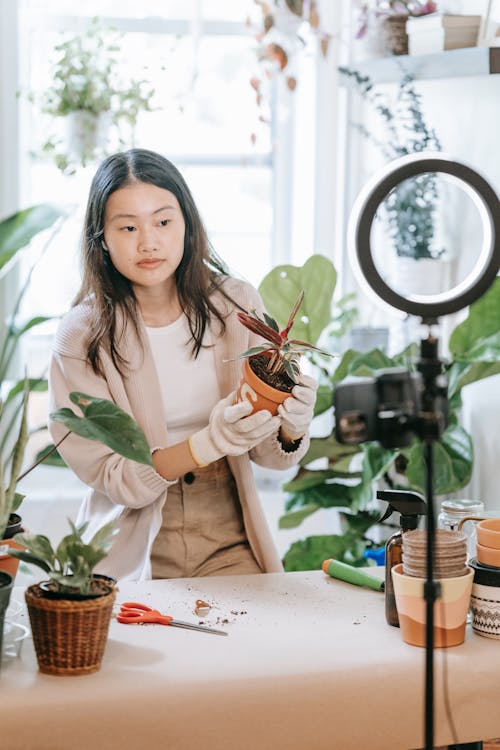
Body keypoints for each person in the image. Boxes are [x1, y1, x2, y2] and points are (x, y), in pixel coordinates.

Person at [49, 148, 318, 581]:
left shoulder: (237, 305)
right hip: (131, 536)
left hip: (230, 528)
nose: (148, 241)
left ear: (187, 225)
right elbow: (113, 475)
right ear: (101, 237)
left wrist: (292, 425)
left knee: (256, 643)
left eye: (163, 221)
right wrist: (206, 444)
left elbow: (271, 458)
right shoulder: (82, 336)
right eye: (128, 227)